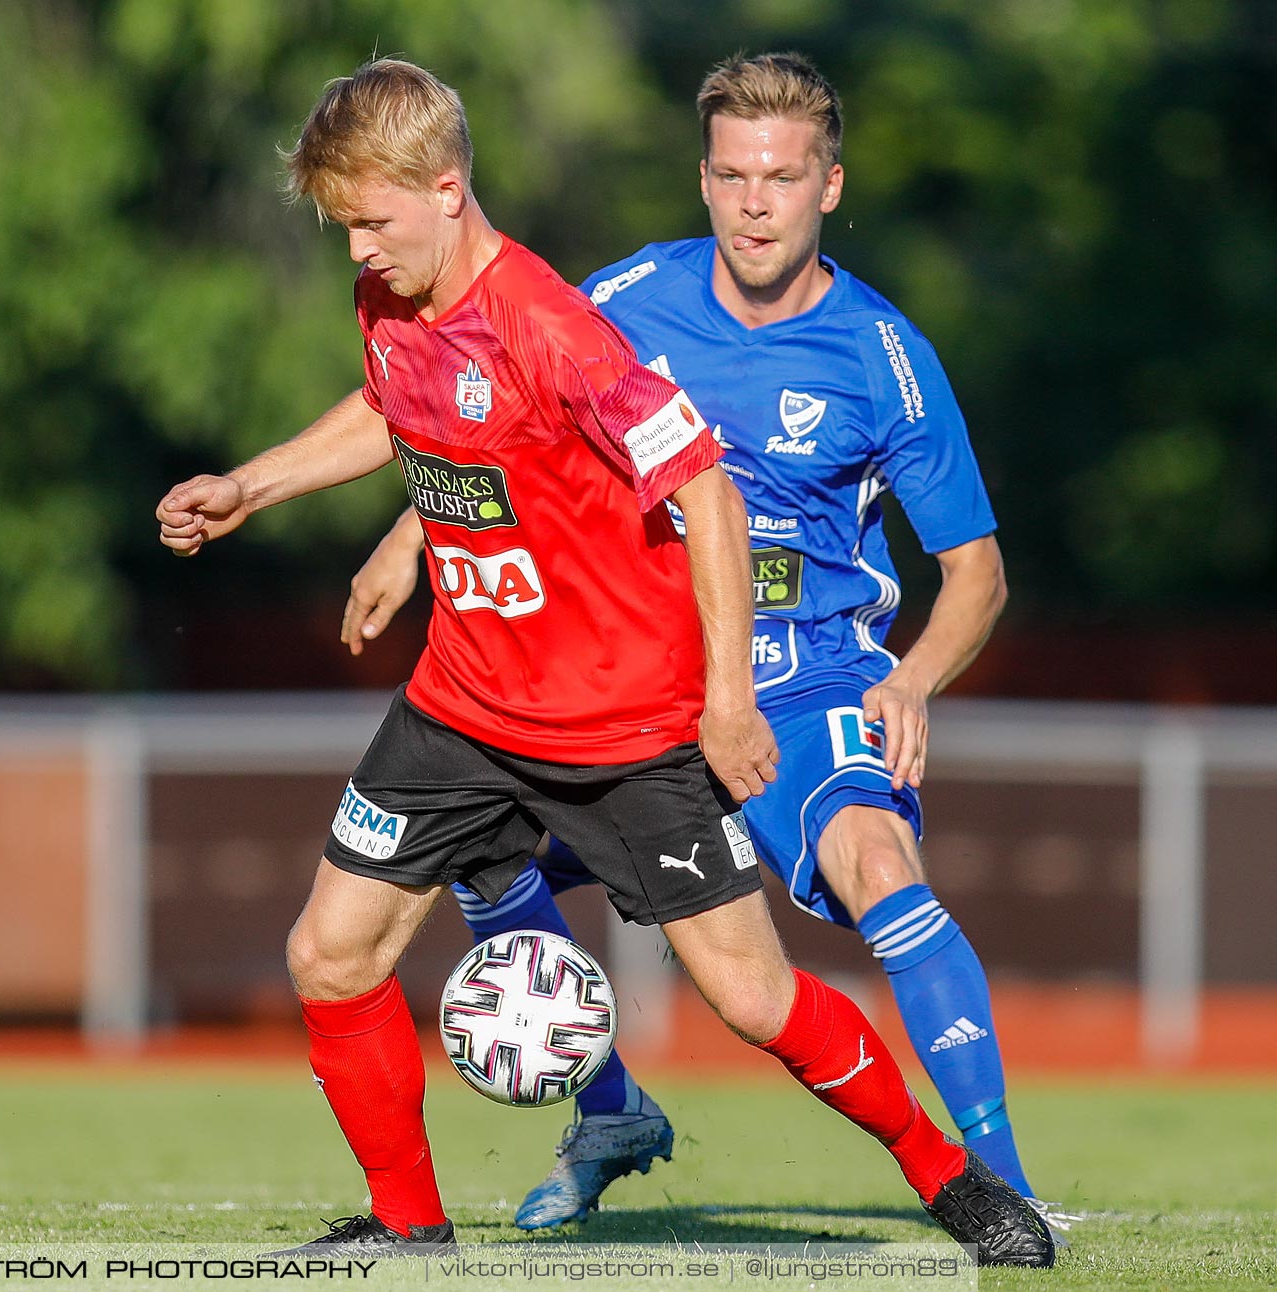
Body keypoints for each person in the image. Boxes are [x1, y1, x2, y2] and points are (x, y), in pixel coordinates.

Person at [157, 58, 1052, 1267]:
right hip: (463, 704)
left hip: (618, 721)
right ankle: (410, 1225)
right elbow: (396, 404)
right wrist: (254, 487)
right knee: (329, 951)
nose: (357, 248)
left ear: (449, 187)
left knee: (753, 1000)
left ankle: (957, 1177)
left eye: (371, 220)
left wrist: (728, 700)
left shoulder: (557, 325)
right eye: (343, 224)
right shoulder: (397, 298)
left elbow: (712, 500)